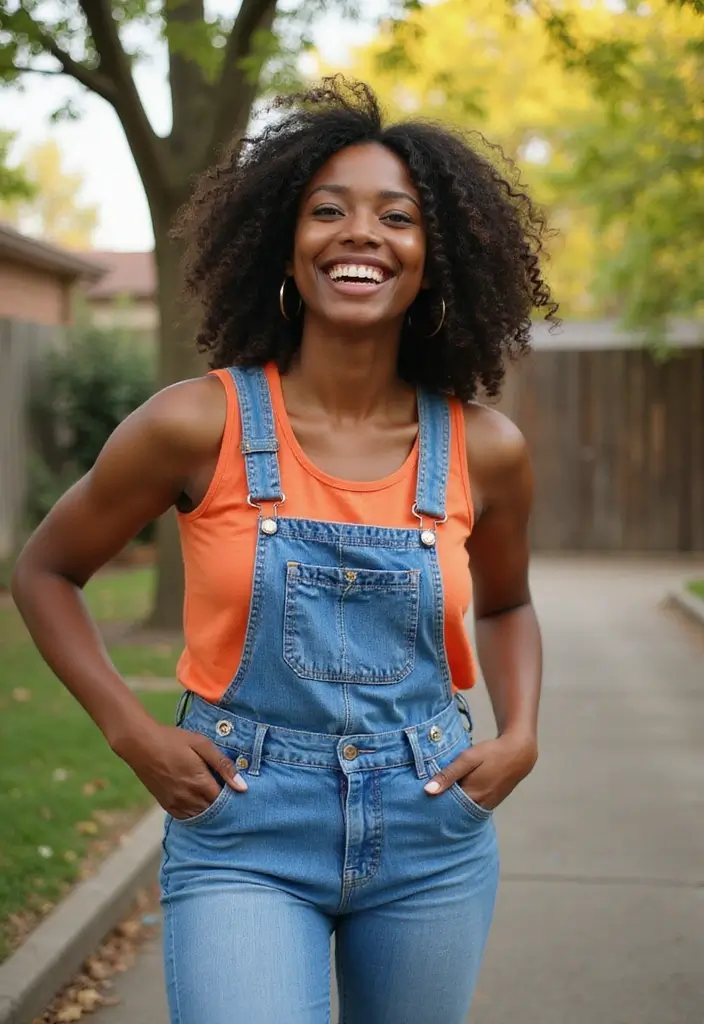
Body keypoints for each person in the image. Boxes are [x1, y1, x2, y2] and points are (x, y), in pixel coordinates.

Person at [12, 78, 555, 1024]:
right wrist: (132, 733)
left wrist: (520, 737)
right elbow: (44, 571)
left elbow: (506, 603)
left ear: (436, 260)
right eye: (328, 211)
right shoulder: (193, 424)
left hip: (431, 828)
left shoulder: (486, 448)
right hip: (242, 830)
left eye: (398, 216)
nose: (361, 234)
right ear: (284, 244)